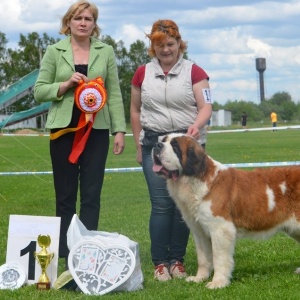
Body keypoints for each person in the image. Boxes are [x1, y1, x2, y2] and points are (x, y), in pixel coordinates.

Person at [34, 0, 126, 267]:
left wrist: (119, 129)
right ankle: (64, 253)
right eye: (78, 18)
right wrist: (64, 85)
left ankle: (86, 251)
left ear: (94, 24)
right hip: (63, 131)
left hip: (96, 130)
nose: (83, 23)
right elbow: (40, 90)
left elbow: (115, 92)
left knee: (91, 194)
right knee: (64, 195)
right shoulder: (54, 51)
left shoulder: (106, 51)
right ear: (68, 23)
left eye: (88, 18)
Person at [130, 19, 212, 281]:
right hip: (154, 143)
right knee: (162, 204)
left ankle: (177, 261)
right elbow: (135, 110)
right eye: (159, 45)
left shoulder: (195, 72)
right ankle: (159, 263)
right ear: (152, 47)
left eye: (170, 44)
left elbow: (206, 107)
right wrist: (137, 144)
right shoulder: (142, 73)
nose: (166, 50)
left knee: (184, 207)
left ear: (179, 44)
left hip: (187, 147)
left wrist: (197, 126)